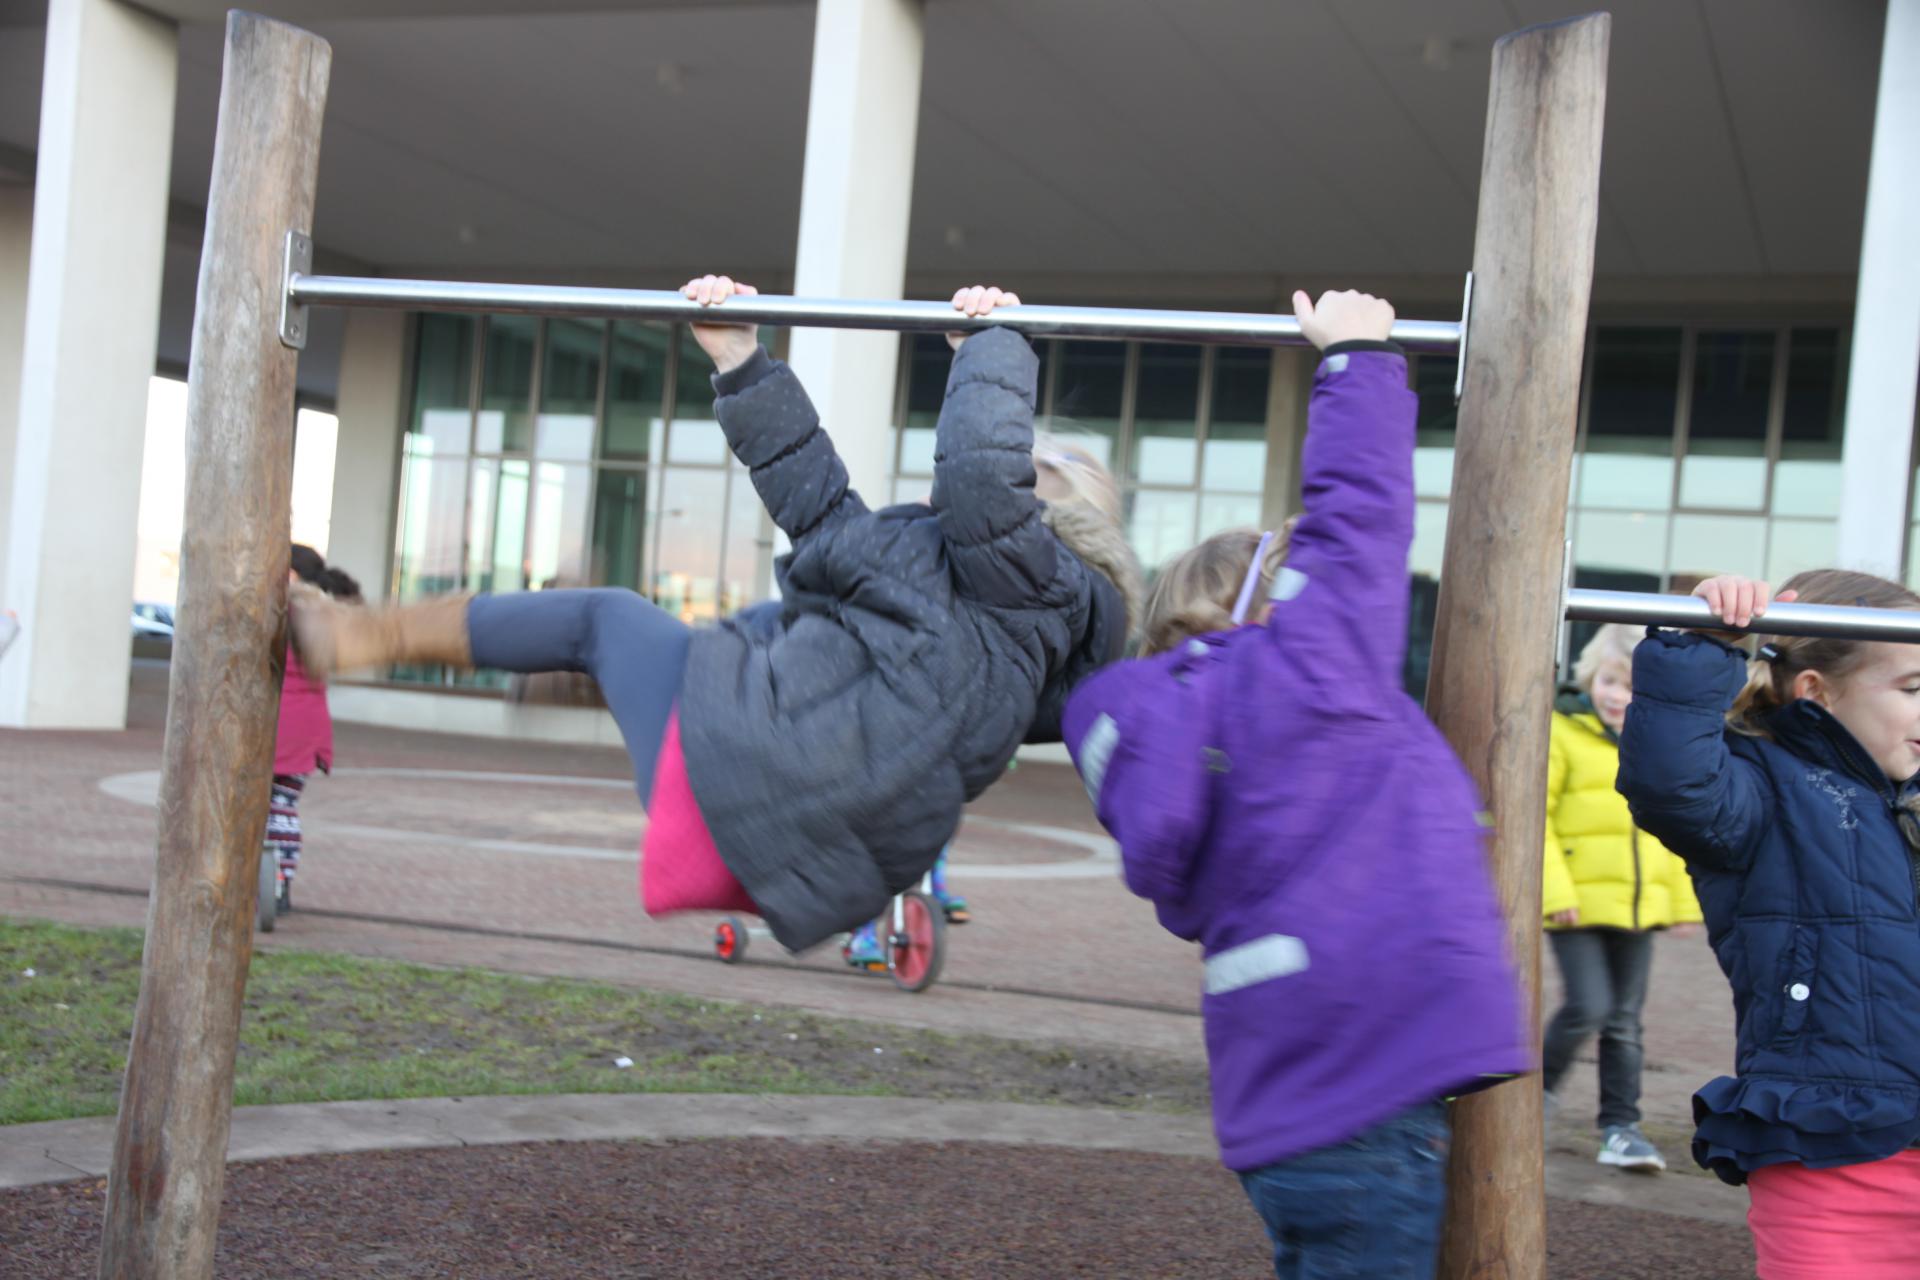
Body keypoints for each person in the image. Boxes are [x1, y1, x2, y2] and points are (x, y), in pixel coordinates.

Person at [291, 277, 1141, 952]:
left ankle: (359, 635)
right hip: (789, 830)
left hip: (756, 758)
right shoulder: (967, 597)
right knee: (617, 624)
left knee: (604, 619)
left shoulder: (1047, 585)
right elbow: (820, 510)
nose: (1021, 466)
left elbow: (982, 480)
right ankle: (385, 641)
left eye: (1044, 468)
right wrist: (741, 361)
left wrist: (989, 350)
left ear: (1071, 522)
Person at [1061, 290, 1527, 1279]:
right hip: (1372, 1083)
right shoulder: (1313, 670)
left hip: (1284, 1100)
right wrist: (1358, 359)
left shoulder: (1158, 727)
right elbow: (1358, 521)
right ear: (1277, 608)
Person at [1617, 571, 1920, 1279]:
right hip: (1828, 1149)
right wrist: (1703, 643)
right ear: (1815, 689)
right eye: (1912, 689)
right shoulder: (1760, 789)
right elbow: (1670, 781)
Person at [1541, 622, 1702, 1172]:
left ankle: (1621, 1128)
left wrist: (1681, 903)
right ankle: (1532, 1100)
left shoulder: (1653, 746)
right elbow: (1537, 820)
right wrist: (1554, 890)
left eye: (1631, 687)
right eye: (1610, 681)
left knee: (1625, 1020)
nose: (1616, 696)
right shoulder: (1563, 733)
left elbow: (1672, 830)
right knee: (1589, 1005)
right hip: (1576, 902)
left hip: (1635, 907)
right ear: (1591, 675)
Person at [267, 545, 353, 910]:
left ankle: (270, 882)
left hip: (281, 721)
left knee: (270, 805)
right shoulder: (326, 613)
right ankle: (280, 880)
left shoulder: (282, 610)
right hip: (311, 723)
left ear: (290, 575)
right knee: (284, 804)